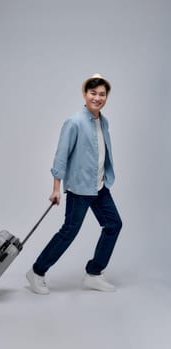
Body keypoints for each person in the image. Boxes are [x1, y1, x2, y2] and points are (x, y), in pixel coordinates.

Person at [26, 73, 122, 294]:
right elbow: (61, 156)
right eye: (93, 93)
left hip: (99, 186)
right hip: (80, 188)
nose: (97, 98)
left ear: (106, 97)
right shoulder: (74, 122)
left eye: (102, 94)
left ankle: (93, 273)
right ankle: (37, 272)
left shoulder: (103, 121)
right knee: (69, 231)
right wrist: (56, 189)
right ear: (84, 94)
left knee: (113, 225)